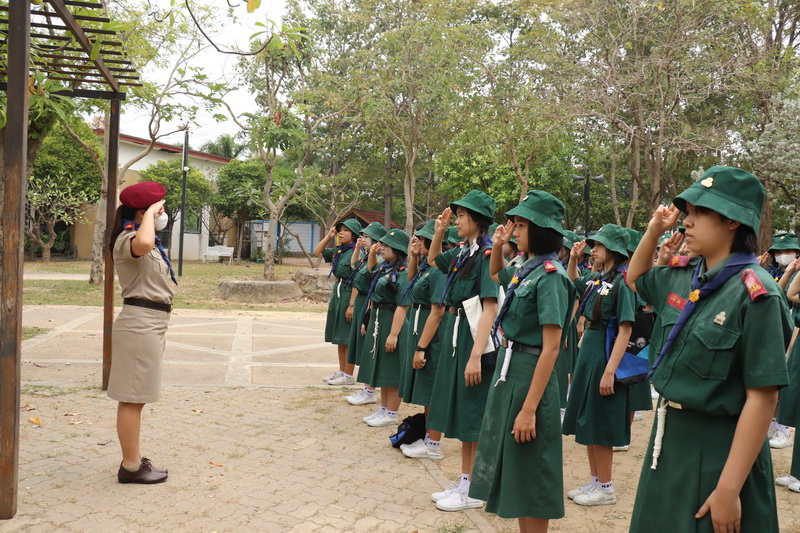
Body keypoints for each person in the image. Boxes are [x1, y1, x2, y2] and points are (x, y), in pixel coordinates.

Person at [626, 165, 791, 533]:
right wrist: (653, 231)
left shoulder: (757, 294)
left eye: (700, 212)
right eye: (688, 211)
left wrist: (729, 489)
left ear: (732, 220)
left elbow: (763, 398)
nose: (687, 221)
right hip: (669, 441)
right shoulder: (685, 274)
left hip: (721, 450)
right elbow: (635, 279)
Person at [469, 191, 577, 533]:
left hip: (531, 376)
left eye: (521, 225)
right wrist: (500, 245)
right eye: (514, 224)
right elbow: (497, 274)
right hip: (511, 370)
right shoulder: (526, 267)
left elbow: (552, 348)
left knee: (533, 473)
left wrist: (530, 409)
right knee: (517, 467)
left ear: (542, 230)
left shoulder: (551, 276)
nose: (515, 230)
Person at [426, 190, 499, 512]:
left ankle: (475, 488)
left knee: (473, 414)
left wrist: (475, 356)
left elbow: (490, 308)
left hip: (473, 338)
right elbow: (433, 260)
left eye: (460, 216)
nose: (456, 221)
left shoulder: (486, 256)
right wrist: (438, 232)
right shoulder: (462, 252)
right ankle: (466, 481)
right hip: (458, 333)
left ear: (478, 221)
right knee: (464, 412)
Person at [107, 181, 175, 484]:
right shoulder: (129, 239)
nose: (163, 214)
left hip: (150, 324)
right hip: (139, 324)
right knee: (132, 398)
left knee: (137, 398)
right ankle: (131, 467)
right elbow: (143, 244)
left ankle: (133, 462)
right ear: (142, 212)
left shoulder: (143, 237)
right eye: (159, 208)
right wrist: (149, 214)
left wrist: (161, 332)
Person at [562, 223, 635, 506]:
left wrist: (609, 372)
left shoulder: (623, 283)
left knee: (601, 420)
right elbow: (574, 283)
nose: (593, 250)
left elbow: (625, 330)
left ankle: (605, 487)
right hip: (590, 349)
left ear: (614, 250)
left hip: (605, 353)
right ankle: (595, 481)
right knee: (590, 418)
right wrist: (573, 259)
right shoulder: (597, 278)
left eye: (599, 246)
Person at [398, 220, 448, 460]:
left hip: (432, 335)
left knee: (432, 390)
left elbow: (438, 312)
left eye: (421, 238)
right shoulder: (427, 266)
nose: (416, 241)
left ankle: (434, 445)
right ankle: (429, 438)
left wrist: (422, 347)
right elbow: (411, 280)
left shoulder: (438, 270)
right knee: (427, 389)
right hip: (422, 328)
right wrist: (414, 256)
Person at [357, 229, 411, 427]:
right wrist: (367, 320)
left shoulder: (402, 273)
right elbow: (371, 271)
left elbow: (402, 306)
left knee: (393, 369)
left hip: (391, 320)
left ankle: (391, 413)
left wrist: (394, 334)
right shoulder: (385, 267)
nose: (383, 248)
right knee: (384, 368)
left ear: (398, 250)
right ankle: (384, 408)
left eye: (387, 246)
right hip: (379, 318)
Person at [314, 218, 363, 386]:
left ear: (354, 235)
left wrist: (352, 305)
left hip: (349, 294)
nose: (341, 233)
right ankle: (342, 371)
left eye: (346, 230)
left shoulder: (356, 252)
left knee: (347, 337)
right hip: (339, 292)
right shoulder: (339, 250)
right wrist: (329, 236)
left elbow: (357, 280)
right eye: (340, 230)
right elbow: (317, 252)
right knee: (340, 336)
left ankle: (348, 375)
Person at [344, 222, 387, 406]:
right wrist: (357, 248)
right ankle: (366, 389)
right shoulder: (366, 257)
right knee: (361, 346)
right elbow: (353, 265)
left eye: (366, 237)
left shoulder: (379, 260)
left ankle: (369, 391)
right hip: (363, 301)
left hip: (367, 303)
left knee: (367, 348)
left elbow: (372, 281)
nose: (362, 239)